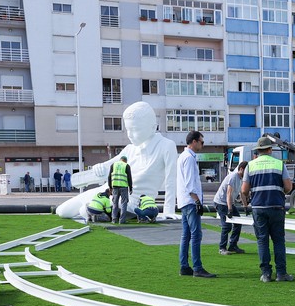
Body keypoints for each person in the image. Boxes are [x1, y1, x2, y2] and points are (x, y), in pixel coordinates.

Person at [55, 102, 178, 220]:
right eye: (128, 130)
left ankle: (96, 212)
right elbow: (109, 166)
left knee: (84, 209)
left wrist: (168, 210)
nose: (130, 135)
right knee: (62, 211)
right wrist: (99, 168)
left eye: (135, 130)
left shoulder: (166, 146)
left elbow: (171, 181)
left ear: (152, 127)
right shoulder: (130, 149)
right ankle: (96, 212)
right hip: (107, 191)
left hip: (131, 202)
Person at [241, 136, 294, 282]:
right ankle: (281, 273)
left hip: (258, 207)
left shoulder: (250, 166)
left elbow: (244, 190)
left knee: (262, 241)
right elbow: (288, 187)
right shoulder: (279, 164)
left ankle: (266, 274)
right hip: (276, 206)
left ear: (258, 151)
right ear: (270, 149)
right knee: (278, 241)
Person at [176, 130, 215, 278]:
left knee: (186, 235)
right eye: (201, 142)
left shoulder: (183, 157)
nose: (202, 145)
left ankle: (185, 266)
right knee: (196, 235)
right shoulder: (189, 158)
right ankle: (197, 267)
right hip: (190, 201)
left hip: (185, 201)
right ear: (194, 142)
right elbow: (190, 183)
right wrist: (197, 201)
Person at [214, 160, 247, 255]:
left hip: (228, 203)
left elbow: (242, 193)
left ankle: (233, 245)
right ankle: (222, 248)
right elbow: (229, 193)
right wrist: (230, 209)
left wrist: (245, 206)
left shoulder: (242, 179)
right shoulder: (233, 177)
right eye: (246, 171)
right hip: (221, 203)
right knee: (226, 225)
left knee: (238, 223)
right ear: (241, 169)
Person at [108, 156, 133, 224]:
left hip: (115, 187)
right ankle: (122, 220)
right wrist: (130, 188)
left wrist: (110, 187)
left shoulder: (113, 165)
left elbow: (109, 177)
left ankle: (114, 219)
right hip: (124, 187)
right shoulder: (126, 165)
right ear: (125, 160)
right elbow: (129, 178)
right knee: (124, 203)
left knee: (115, 203)